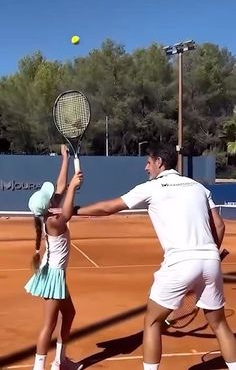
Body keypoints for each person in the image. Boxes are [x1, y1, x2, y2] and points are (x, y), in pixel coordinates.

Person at [76, 142, 236, 370]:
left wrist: (73, 211)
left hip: (180, 263)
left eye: (148, 162)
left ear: (159, 162)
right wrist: (211, 253)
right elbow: (219, 226)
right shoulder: (198, 187)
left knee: (152, 322)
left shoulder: (152, 187)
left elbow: (109, 207)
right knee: (220, 325)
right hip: (210, 260)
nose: (146, 167)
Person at [25, 144, 83, 370]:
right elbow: (67, 212)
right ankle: (39, 367)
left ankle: (60, 361)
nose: (55, 195)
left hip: (55, 274)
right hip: (53, 276)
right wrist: (74, 187)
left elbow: (60, 186)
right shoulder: (53, 222)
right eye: (51, 197)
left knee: (69, 314)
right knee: (48, 325)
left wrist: (65, 158)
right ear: (49, 205)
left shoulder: (48, 214)